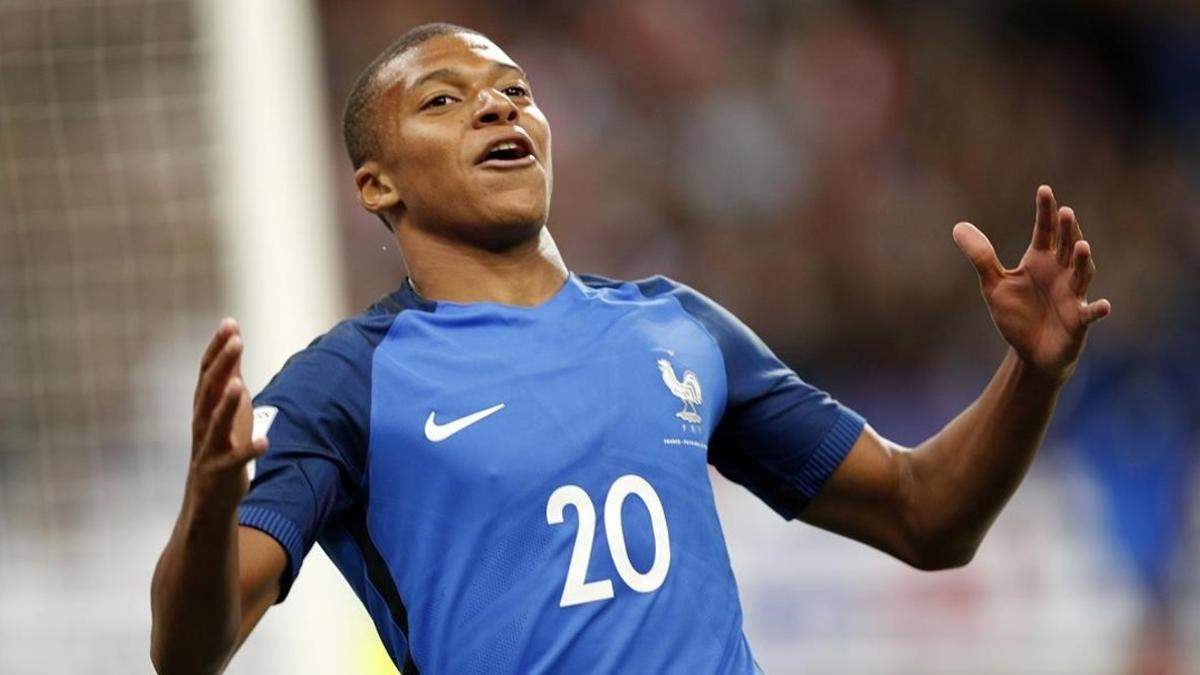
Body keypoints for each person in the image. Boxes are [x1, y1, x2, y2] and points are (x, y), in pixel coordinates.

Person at [149, 22, 1111, 675]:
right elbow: (189, 649)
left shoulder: (676, 327)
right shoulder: (345, 384)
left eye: (515, 92)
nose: (499, 109)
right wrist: (208, 505)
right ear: (376, 185)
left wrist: (1031, 374)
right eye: (443, 101)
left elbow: (924, 517)